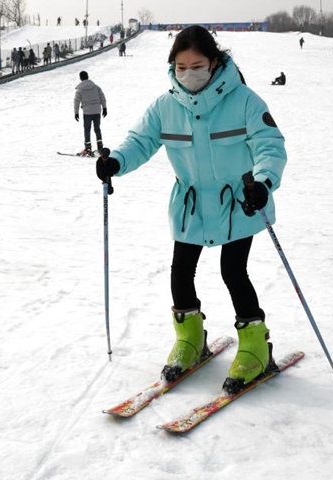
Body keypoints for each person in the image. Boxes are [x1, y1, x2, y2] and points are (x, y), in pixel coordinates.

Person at [94, 25, 287, 394]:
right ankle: (190, 339)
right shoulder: (166, 106)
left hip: (239, 203)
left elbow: (270, 145)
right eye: (180, 67)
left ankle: (255, 346)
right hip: (191, 206)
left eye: (196, 65)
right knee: (181, 271)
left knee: (234, 271)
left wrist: (263, 183)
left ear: (213, 64)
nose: (188, 74)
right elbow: (141, 141)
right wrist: (115, 162)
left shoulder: (245, 101)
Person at [73, 70, 107, 156]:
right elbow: (102, 97)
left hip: (87, 112)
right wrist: (104, 108)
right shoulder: (96, 87)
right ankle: (100, 147)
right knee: (97, 129)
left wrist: (76, 113)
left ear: (80, 78)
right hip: (97, 111)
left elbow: (76, 102)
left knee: (87, 129)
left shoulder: (80, 90)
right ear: (88, 76)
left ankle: (88, 148)